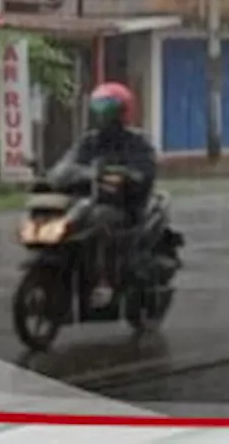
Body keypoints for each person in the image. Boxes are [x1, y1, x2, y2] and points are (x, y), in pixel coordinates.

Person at [47, 81, 158, 308]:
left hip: (125, 208)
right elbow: (67, 164)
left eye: (109, 110)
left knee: (100, 220)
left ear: (123, 111)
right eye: (99, 109)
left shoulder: (137, 142)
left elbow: (144, 171)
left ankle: (103, 281)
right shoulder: (89, 141)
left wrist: (128, 177)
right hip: (89, 201)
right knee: (62, 217)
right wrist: (64, 174)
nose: (104, 116)